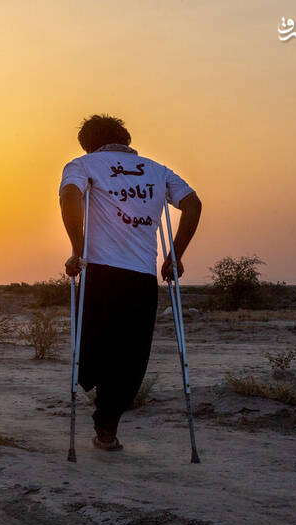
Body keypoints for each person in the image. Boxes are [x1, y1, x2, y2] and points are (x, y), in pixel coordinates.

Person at [59, 114, 202, 451]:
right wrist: (174, 255)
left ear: (88, 144)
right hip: (140, 279)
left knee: (91, 350)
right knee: (130, 357)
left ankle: (97, 398)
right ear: (124, 138)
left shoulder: (82, 165)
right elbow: (193, 203)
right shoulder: (157, 170)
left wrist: (76, 250)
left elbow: (68, 197)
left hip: (100, 274)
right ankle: (107, 428)